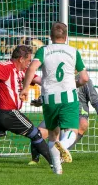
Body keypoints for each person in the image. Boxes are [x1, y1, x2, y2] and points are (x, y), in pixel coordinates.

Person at [19, 22, 89, 175]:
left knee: (52, 134)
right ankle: (64, 145)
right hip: (68, 97)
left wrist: (25, 89)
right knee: (72, 131)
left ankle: (58, 170)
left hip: (49, 98)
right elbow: (84, 78)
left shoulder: (44, 50)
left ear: (50, 37)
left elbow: (31, 68)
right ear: (66, 36)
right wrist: (75, 83)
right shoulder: (73, 51)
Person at [27, 77, 98, 165]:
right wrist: (40, 101)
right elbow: (49, 96)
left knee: (83, 123)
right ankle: (35, 159)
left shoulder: (83, 80)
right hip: (58, 113)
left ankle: (63, 153)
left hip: (78, 115)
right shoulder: (57, 78)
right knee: (39, 133)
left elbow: (95, 101)